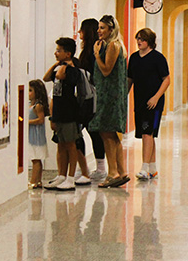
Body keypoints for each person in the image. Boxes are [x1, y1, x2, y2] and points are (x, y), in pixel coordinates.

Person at [88, 14, 129, 188]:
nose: (99, 31)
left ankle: (112, 173)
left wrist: (97, 55)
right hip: (112, 94)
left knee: (106, 133)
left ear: (111, 29)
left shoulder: (112, 46)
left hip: (110, 96)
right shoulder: (114, 45)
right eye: (98, 28)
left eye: (103, 28)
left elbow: (106, 70)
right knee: (111, 134)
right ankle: (121, 170)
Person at [127, 28, 170, 180]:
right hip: (139, 100)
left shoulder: (158, 58)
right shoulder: (134, 58)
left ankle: (144, 167)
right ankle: (153, 168)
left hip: (154, 102)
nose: (139, 41)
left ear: (150, 41)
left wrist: (156, 97)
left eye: (143, 39)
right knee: (147, 135)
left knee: (147, 133)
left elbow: (166, 79)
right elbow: (130, 79)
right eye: (137, 38)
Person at [43, 37, 83, 190]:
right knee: (60, 144)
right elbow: (47, 78)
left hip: (69, 113)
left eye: (59, 51)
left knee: (71, 145)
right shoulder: (59, 67)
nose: (56, 53)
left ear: (68, 53)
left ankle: (71, 177)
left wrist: (64, 65)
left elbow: (60, 76)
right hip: (58, 112)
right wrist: (56, 64)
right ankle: (61, 174)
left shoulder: (72, 71)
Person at [76, 18, 106, 180]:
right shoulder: (86, 51)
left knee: (94, 131)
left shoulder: (96, 51)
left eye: (81, 30)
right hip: (84, 96)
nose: (79, 32)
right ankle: (83, 167)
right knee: (82, 131)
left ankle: (100, 167)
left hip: (92, 97)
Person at [27, 79, 49, 189]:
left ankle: (33, 180)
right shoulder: (30, 105)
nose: (28, 93)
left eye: (30, 90)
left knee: (35, 159)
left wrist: (28, 122)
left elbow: (40, 120)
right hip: (31, 135)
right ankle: (38, 180)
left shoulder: (38, 106)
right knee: (35, 158)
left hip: (35, 136)